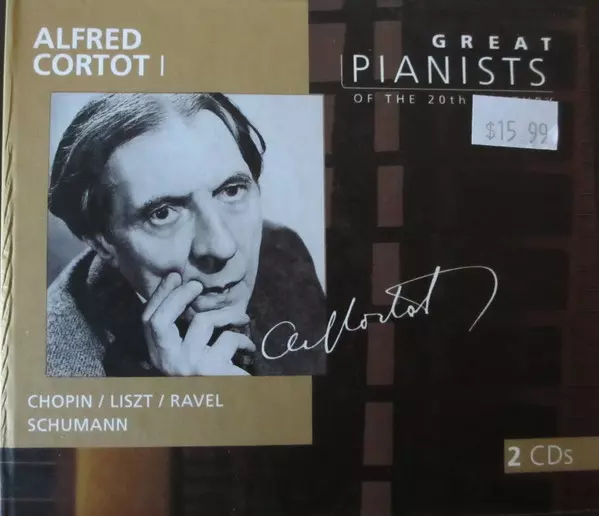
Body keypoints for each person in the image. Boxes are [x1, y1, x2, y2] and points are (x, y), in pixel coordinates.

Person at [46, 93, 326, 377]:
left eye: (231, 191)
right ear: (102, 243)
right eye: (163, 214)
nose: (222, 246)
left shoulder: (282, 252)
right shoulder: (59, 368)